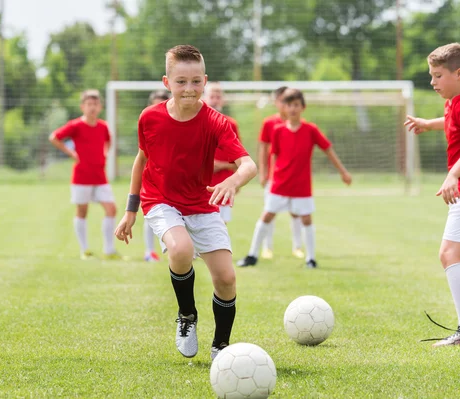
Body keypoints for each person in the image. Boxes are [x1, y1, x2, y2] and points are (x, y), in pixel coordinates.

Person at [114, 45, 257, 361]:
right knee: (181, 250)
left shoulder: (217, 122)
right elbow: (141, 161)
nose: (189, 89)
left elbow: (249, 165)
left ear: (205, 81)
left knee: (227, 278)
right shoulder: (149, 118)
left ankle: (221, 345)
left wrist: (232, 181)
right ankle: (187, 315)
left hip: (202, 204)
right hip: (160, 200)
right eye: (181, 82)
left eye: (195, 81)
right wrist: (129, 211)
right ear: (167, 82)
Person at [405, 43, 460, 346]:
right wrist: (429, 124)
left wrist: (453, 174)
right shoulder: (454, 103)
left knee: (450, 255)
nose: (432, 82)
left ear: (459, 73)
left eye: (438, 76)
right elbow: (455, 124)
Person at [237, 88, 352, 268]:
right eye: (289, 105)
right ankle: (252, 255)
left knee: (306, 219)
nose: (292, 109)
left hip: (301, 185)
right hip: (280, 184)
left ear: (303, 107)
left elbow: (328, 149)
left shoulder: (311, 130)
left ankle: (311, 259)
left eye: (296, 105)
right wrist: (271, 176)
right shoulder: (277, 130)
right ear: (284, 107)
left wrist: (343, 172)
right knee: (267, 215)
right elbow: (273, 154)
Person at [49, 89, 122, 260]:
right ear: (83, 106)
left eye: (96, 104)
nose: (92, 108)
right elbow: (54, 137)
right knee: (82, 210)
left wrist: (105, 153)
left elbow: (108, 141)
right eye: (89, 104)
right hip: (81, 176)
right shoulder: (76, 125)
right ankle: (85, 250)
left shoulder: (103, 126)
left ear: (100, 106)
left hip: (100, 176)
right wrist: (71, 153)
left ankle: (109, 250)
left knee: (111, 209)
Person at [257, 86, 306, 260]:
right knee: (269, 212)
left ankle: (297, 246)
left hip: (294, 178)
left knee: (297, 212)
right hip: (275, 177)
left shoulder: (299, 123)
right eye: (283, 101)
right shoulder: (270, 123)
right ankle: (267, 248)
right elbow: (263, 149)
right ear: (278, 102)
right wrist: (263, 172)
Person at [204, 81, 241, 224]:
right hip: (201, 185)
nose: (215, 99)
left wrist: (235, 180)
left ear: (223, 100)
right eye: (212, 96)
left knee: (220, 226)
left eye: (218, 96)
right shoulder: (197, 122)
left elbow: (238, 157)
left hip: (224, 183)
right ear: (205, 98)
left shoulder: (231, 124)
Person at [142, 89, 171, 262]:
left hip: (173, 179)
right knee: (150, 215)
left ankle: (185, 250)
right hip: (152, 179)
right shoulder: (146, 124)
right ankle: (149, 251)